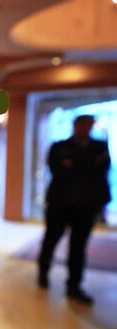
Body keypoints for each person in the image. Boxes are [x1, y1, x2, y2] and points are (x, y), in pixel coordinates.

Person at [38, 115, 111, 304]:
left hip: (86, 205)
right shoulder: (59, 146)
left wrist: (74, 165)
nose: (86, 129)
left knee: (79, 247)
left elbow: (102, 172)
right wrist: (87, 165)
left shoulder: (99, 147)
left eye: (89, 125)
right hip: (60, 203)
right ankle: (43, 273)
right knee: (51, 239)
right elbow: (57, 169)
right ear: (76, 126)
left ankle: (74, 285)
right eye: (83, 125)